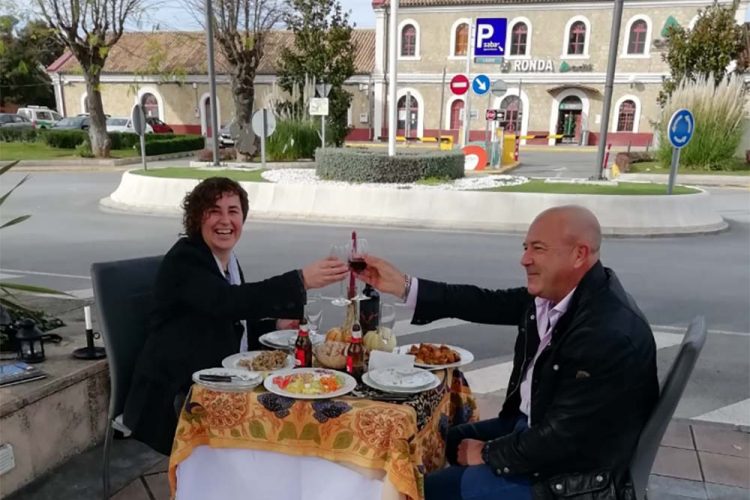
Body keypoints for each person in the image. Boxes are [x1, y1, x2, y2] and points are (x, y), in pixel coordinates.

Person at [358, 205, 658, 500]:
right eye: (526, 247)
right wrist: (403, 285)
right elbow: (483, 302)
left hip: (574, 479)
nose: (524, 259)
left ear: (579, 254)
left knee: (415, 491)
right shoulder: (560, 297)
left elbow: (562, 440)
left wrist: (487, 453)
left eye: (538, 249)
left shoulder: (605, 333)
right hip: (537, 429)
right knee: (444, 439)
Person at [124, 177, 349, 455]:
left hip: (222, 378)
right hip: (177, 393)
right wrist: (300, 280)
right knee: (286, 418)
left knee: (299, 401)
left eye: (233, 211)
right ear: (197, 218)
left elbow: (227, 318)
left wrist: (276, 324)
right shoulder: (186, 259)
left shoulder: (226, 260)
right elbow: (226, 303)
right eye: (214, 211)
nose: (225, 220)